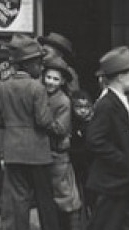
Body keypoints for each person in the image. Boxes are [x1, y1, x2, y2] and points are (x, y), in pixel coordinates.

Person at [0, 35, 60, 230]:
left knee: (17, 201)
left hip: (13, 150)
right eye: (39, 63)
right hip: (37, 151)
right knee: (44, 199)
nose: (40, 68)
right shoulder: (36, 88)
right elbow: (43, 120)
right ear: (29, 64)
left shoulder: (2, 88)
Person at [84, 47, 129, 229]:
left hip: (122, 179)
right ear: (120, 77)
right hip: (112, 181)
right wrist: (122, 157)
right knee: (105, 224)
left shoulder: (121, 100)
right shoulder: (107, 103)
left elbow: (121, 134)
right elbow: (94, 139)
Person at [41, 56, 82, 230]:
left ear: (63, 81)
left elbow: (60, 129)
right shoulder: (41, 95)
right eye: (48, 77)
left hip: (58, 155)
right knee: (49, 197)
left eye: (55, 79)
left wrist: (41, 119)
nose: (51, 82)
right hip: (45, 153)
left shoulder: (63, 101)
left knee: (65, 197)